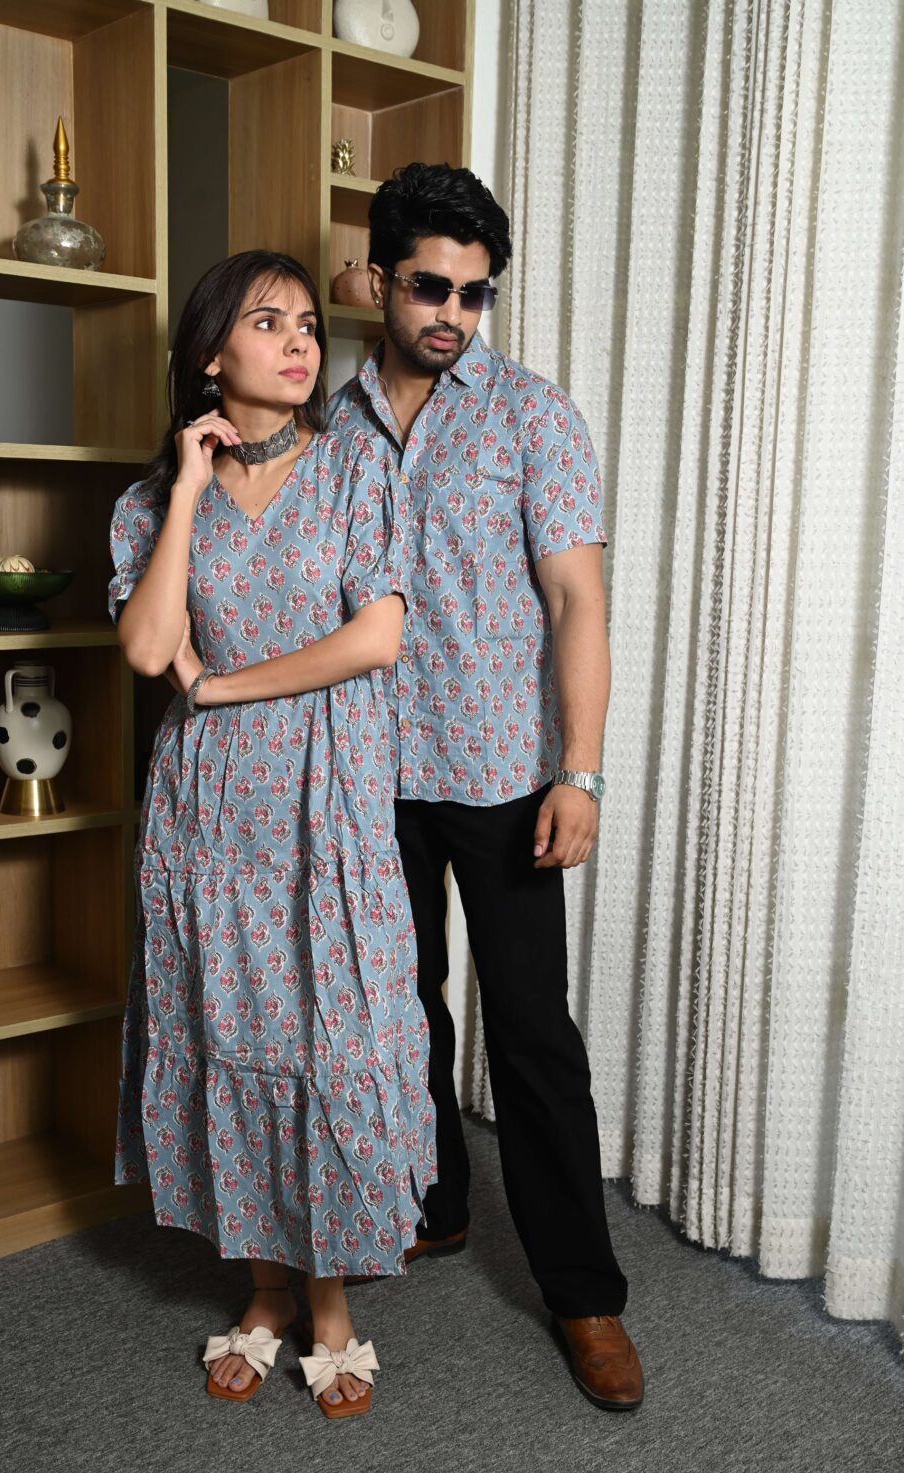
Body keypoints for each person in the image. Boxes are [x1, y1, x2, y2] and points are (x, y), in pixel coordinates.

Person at [327, 164, 644, 1411]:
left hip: (503, 772)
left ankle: (583, 1294)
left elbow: (576, 603)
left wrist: (580, 772)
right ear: (378, 280)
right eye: (427, 286)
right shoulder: (329, 416)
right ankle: (436, 1205)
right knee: (395, 1008)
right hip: (367, 767)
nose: (451, 312)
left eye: (474, 293)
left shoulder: (533, 417)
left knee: (528, 1030)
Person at [108, 250, 434, 1419]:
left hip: (323, 799)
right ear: (211, 355)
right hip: (207, 815)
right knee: (228, 1035)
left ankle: (328, 1302)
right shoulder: (151, 502)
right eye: (267, 322)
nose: (299, 341)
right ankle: (261, 1292)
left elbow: (374, 638)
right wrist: (188, 489)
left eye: (306, 322)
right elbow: (150, 649)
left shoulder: (355, 471)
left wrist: (221, 688)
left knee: (327, 1044)